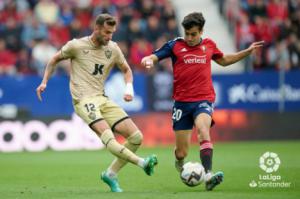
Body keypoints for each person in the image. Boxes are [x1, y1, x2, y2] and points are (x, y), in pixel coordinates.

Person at [141, 12, 264, 191]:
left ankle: (208, 175)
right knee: (182, 151)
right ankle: (180, 161)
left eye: (193, 34)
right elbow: (154, 56)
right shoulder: (175, 45)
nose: (189, 38)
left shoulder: (209, 45)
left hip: (203, 99)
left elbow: (224, 60)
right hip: (181, 103)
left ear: (201, 31)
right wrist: (148, 60)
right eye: (187, 33)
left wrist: (247, 51)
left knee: (203, 130)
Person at [36, 13, 158, 193]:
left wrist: (129, 88)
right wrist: (44, 81)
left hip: (102, 98)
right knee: (109, 137)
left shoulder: (113, 48)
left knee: (136, 137)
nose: (110, 37)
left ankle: (110, 174)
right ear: (97, 29)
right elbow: (54, 60)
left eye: (112, 33)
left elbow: (126, 69)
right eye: (107, 32)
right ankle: (142, 163)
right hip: (83, 100)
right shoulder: (76, 46)